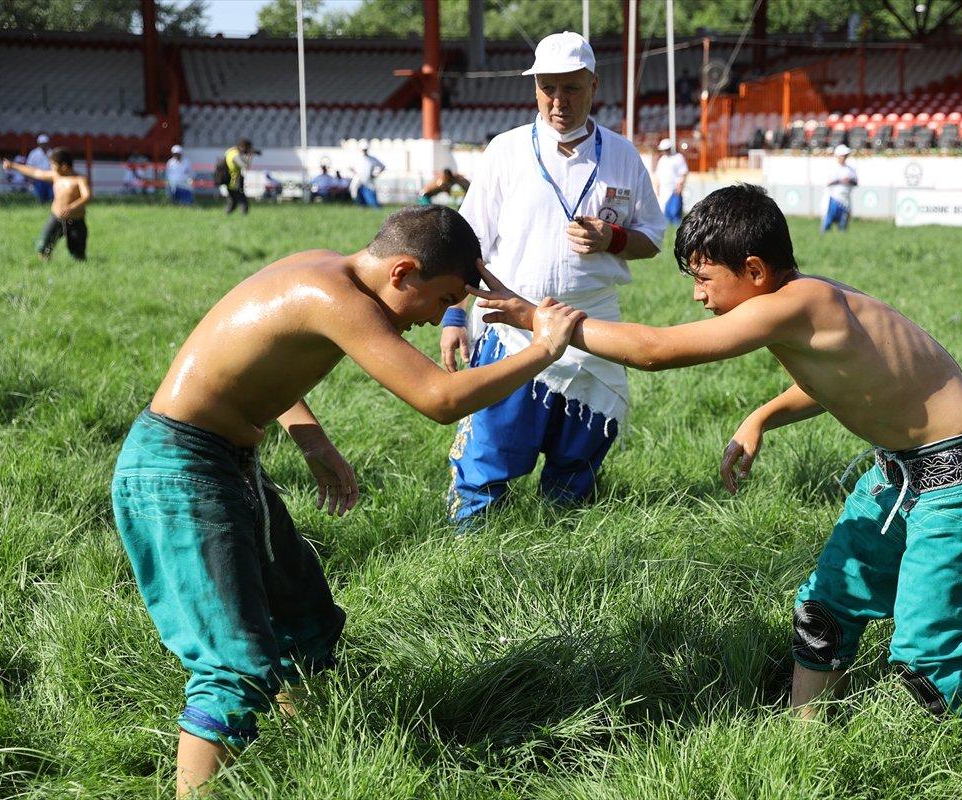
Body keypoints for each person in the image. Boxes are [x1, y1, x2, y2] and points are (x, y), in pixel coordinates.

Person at [474, 185, 962, 721]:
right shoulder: (805, 302)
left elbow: (654, 351)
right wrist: (762, 417)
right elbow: (850, 383)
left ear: (755, 270)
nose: (698, 295)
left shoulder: (800, 302)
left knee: (927, 658)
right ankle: (805, 745)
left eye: (705, 279)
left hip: (961, 484)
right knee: (823, 612)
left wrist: (539, 322)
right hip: (898, 475)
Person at [109, 205, 584, 797]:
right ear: (403, 272)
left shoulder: (322, 271)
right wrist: (542, 350)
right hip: (177, 471)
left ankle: (309, 748)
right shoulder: (334, 297)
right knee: (232, 667)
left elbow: (253, 356)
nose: (438, 317)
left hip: (226, 463)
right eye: (442, 301)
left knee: (306, 619)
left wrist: (311, 437)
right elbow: (438, 400)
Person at [441, 30, 665, 525]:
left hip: (592, 328)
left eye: (571, 88)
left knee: (577, 464)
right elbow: (468, 241)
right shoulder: (507, 150)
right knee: (489, 455)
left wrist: (615, 239)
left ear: (594, 85)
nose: (558, 101)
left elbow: (653, 236)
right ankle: (465, 550)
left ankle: (564, 545)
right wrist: (454, 315)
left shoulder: (623, 154)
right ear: (534, 88)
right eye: (548, 88)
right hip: (511, 328)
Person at [2, 148, 91, 261]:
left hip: (76, 220)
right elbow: (35, 172)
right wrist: (13, 166)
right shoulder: (55, 176)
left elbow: (87, 196)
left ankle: (80, 269)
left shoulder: (79, 179)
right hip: (57, 218)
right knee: (44, 245)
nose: (51, 167)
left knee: (78, 253)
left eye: (53, 164)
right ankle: (44, 264)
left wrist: (71, 207)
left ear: (64, 166)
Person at [821, 144, 857, 233]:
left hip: (845, 199)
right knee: (827, 221)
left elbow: (855, 182)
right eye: (843, 155)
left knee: (843, 222)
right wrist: (841, 181)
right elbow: (828, 182)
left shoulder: (850, 169)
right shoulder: (832, 168)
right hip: (833, 198)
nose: (844, 157)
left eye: (846, 155)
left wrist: (848, 181)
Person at [653, 138, 689, 225]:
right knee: (665, 213)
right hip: (663, 190)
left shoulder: (678, 158)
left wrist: (680, 186)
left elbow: (683, 173)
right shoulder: (662, 160)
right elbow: (658, 175)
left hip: (674, 190)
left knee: (674, 212)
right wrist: (657, 187)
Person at [224, 138, 258, 215]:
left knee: (233, 202)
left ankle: (226, 215)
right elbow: (245, 166)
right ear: (243, 146)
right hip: (235, 182)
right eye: (247, 148)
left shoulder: (231, 151)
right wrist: (249, 156)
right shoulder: (235, 155)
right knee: (243, 201)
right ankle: (244, 217)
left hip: (230, 181)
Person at [350, 143, 385, 208]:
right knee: (354, 191)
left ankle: (375, 206)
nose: (364, 151)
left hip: (368, 179)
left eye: (365, 150)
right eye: (363, 150)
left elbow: (382, 166)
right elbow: (350, 167)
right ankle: (360, 205)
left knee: (371, 191)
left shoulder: (372, 159)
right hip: (358, 178)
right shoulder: (357, 158)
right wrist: (356, 173)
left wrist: (375, 175)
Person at [26, 133, 53, 203]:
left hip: (49, 178)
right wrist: (30, 178)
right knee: (39, 196)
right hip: (38, 178)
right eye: (42, 143)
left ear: (48, 143)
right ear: (39, 144)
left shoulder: (52, 153)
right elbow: (29, 166)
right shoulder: (34, 153)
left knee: (51, 196)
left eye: (45, 143)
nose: (43, 145)